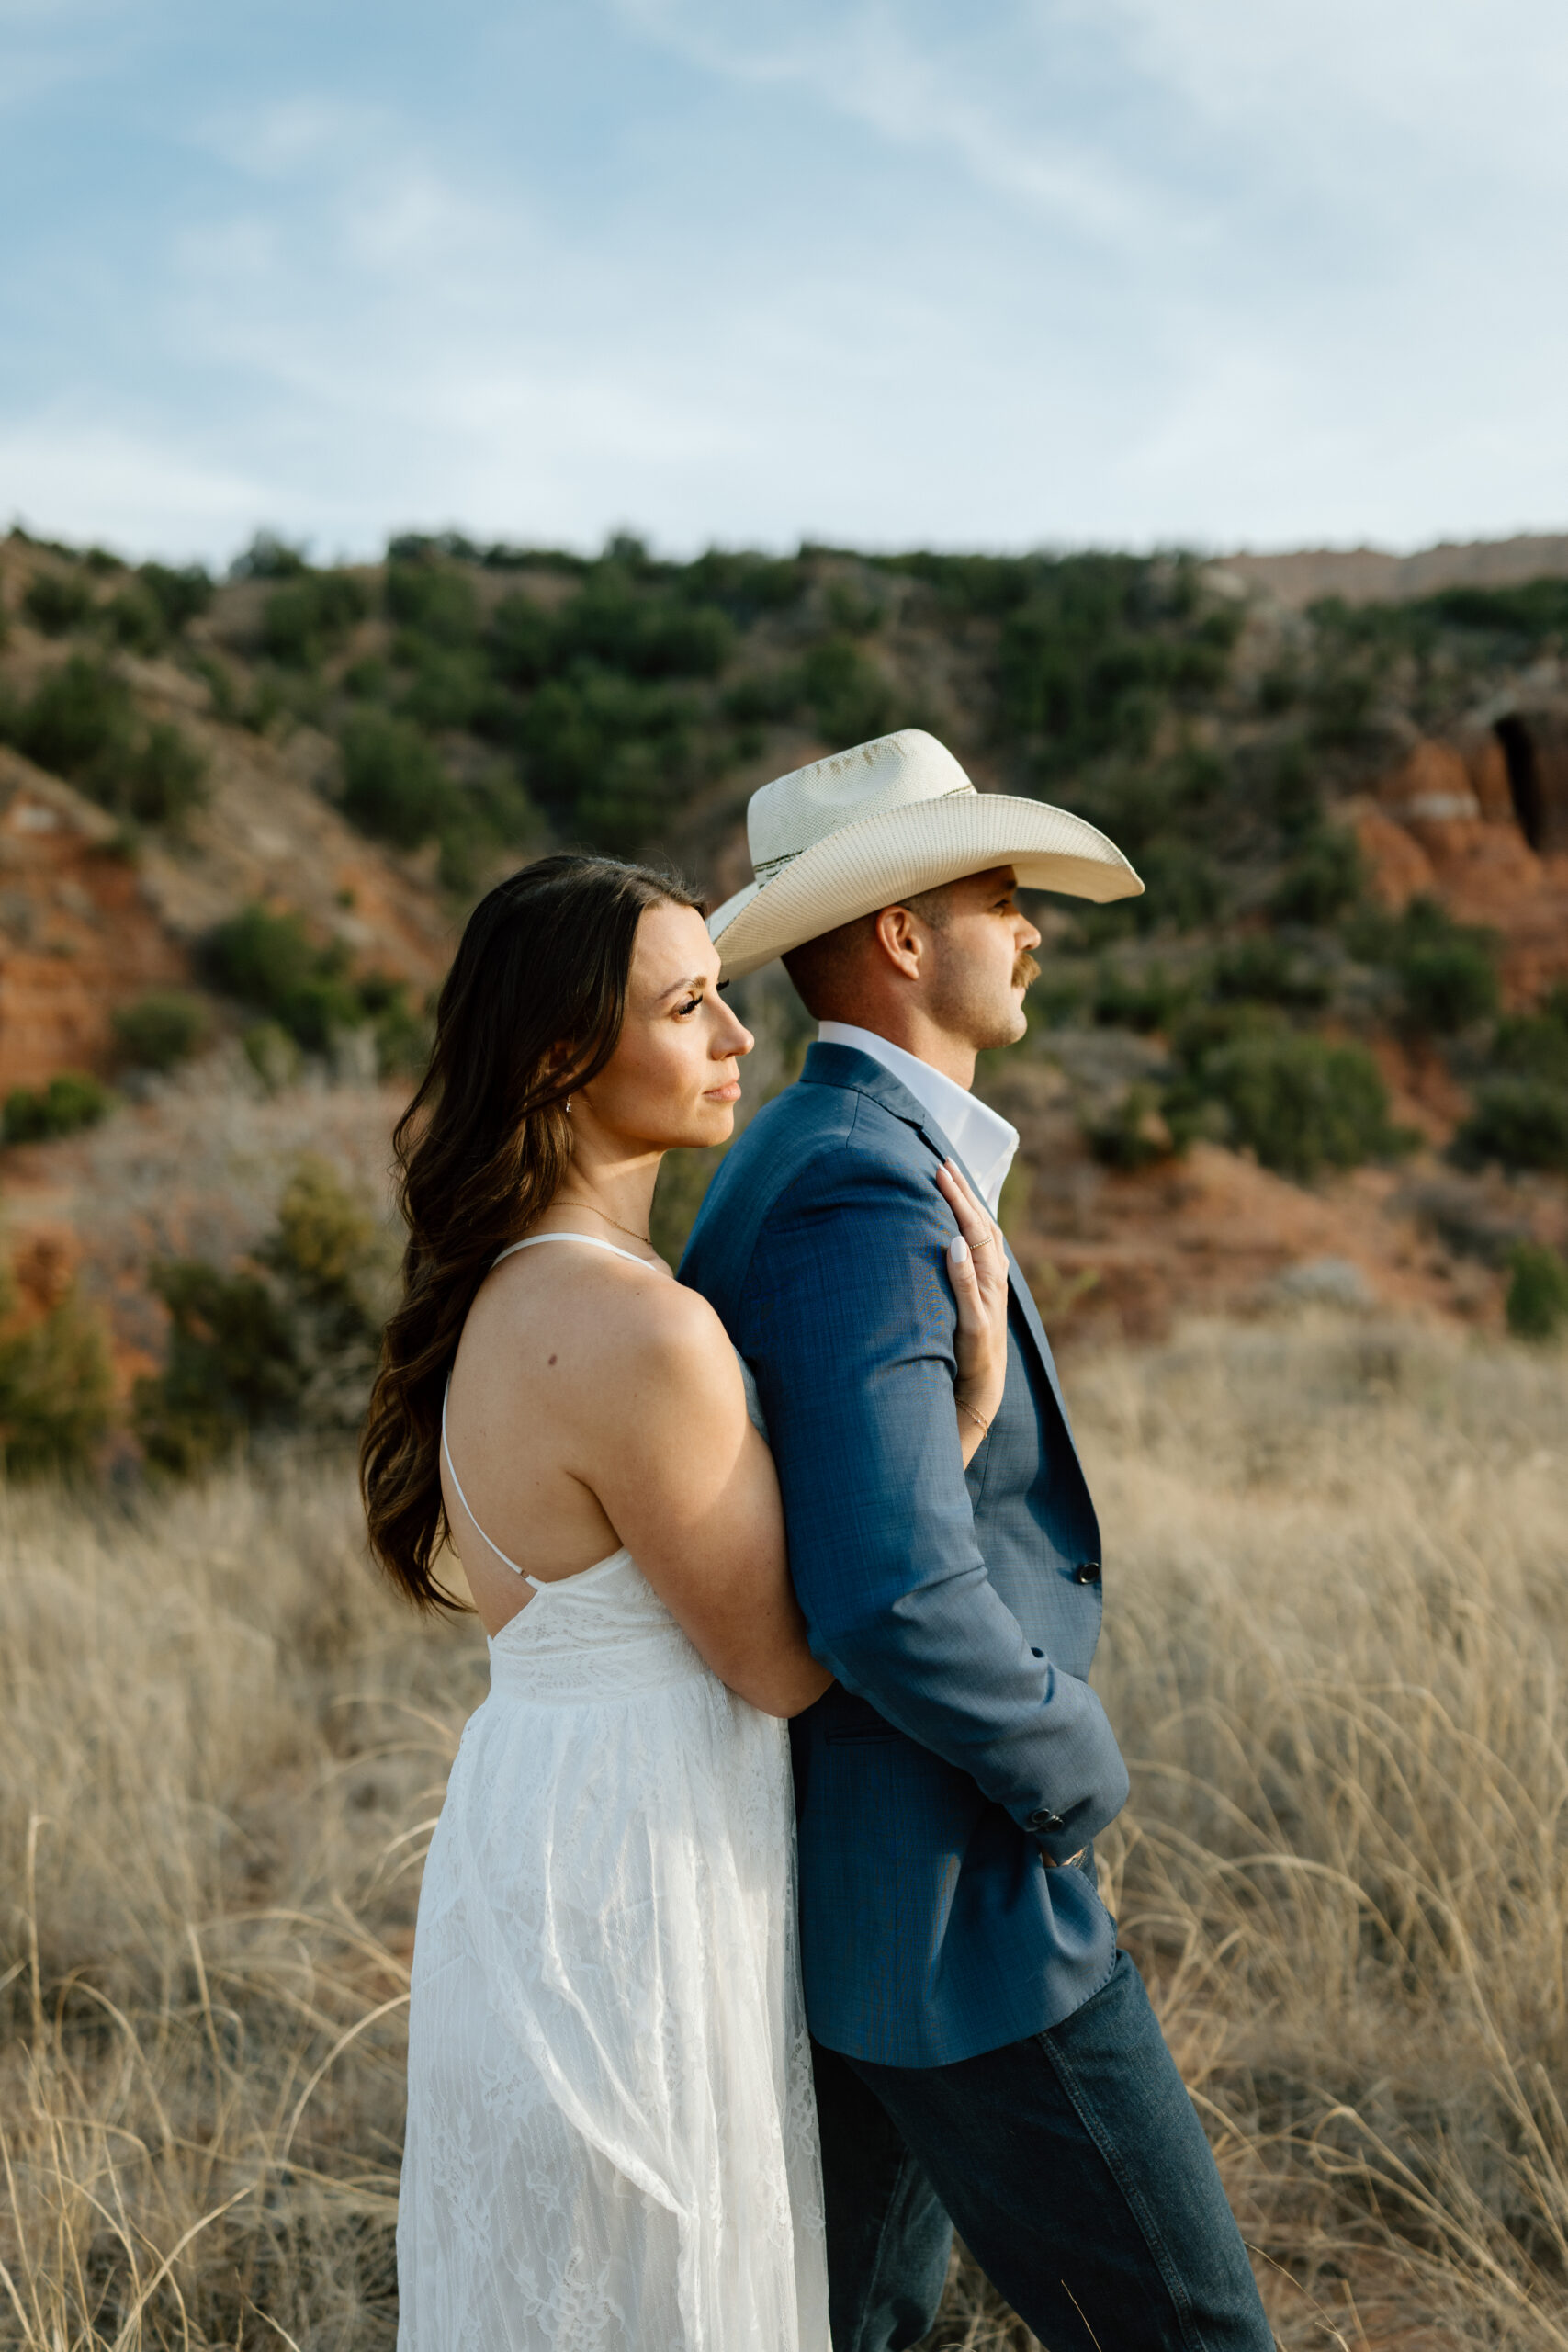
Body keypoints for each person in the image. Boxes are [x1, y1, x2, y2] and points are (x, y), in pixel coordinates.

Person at [359, 851, 1014, 2352]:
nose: (738, 1035)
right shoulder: (640, 1328)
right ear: (559, 1062)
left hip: (532, 1843)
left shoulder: (513, 1289)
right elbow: (783, 1665)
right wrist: (957, 1429)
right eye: (686, 1008)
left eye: (723, 995)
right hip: (635, 1876)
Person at [682, 729, 1275, 2352]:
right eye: (1002, 897)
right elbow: (885, 1588)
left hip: (882, 1892)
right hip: (954, 1892)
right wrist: (1073, 1764)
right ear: (900, 935)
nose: (1031, 932)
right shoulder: (858, 1187)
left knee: (857, 2325)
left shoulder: (820, 1150)